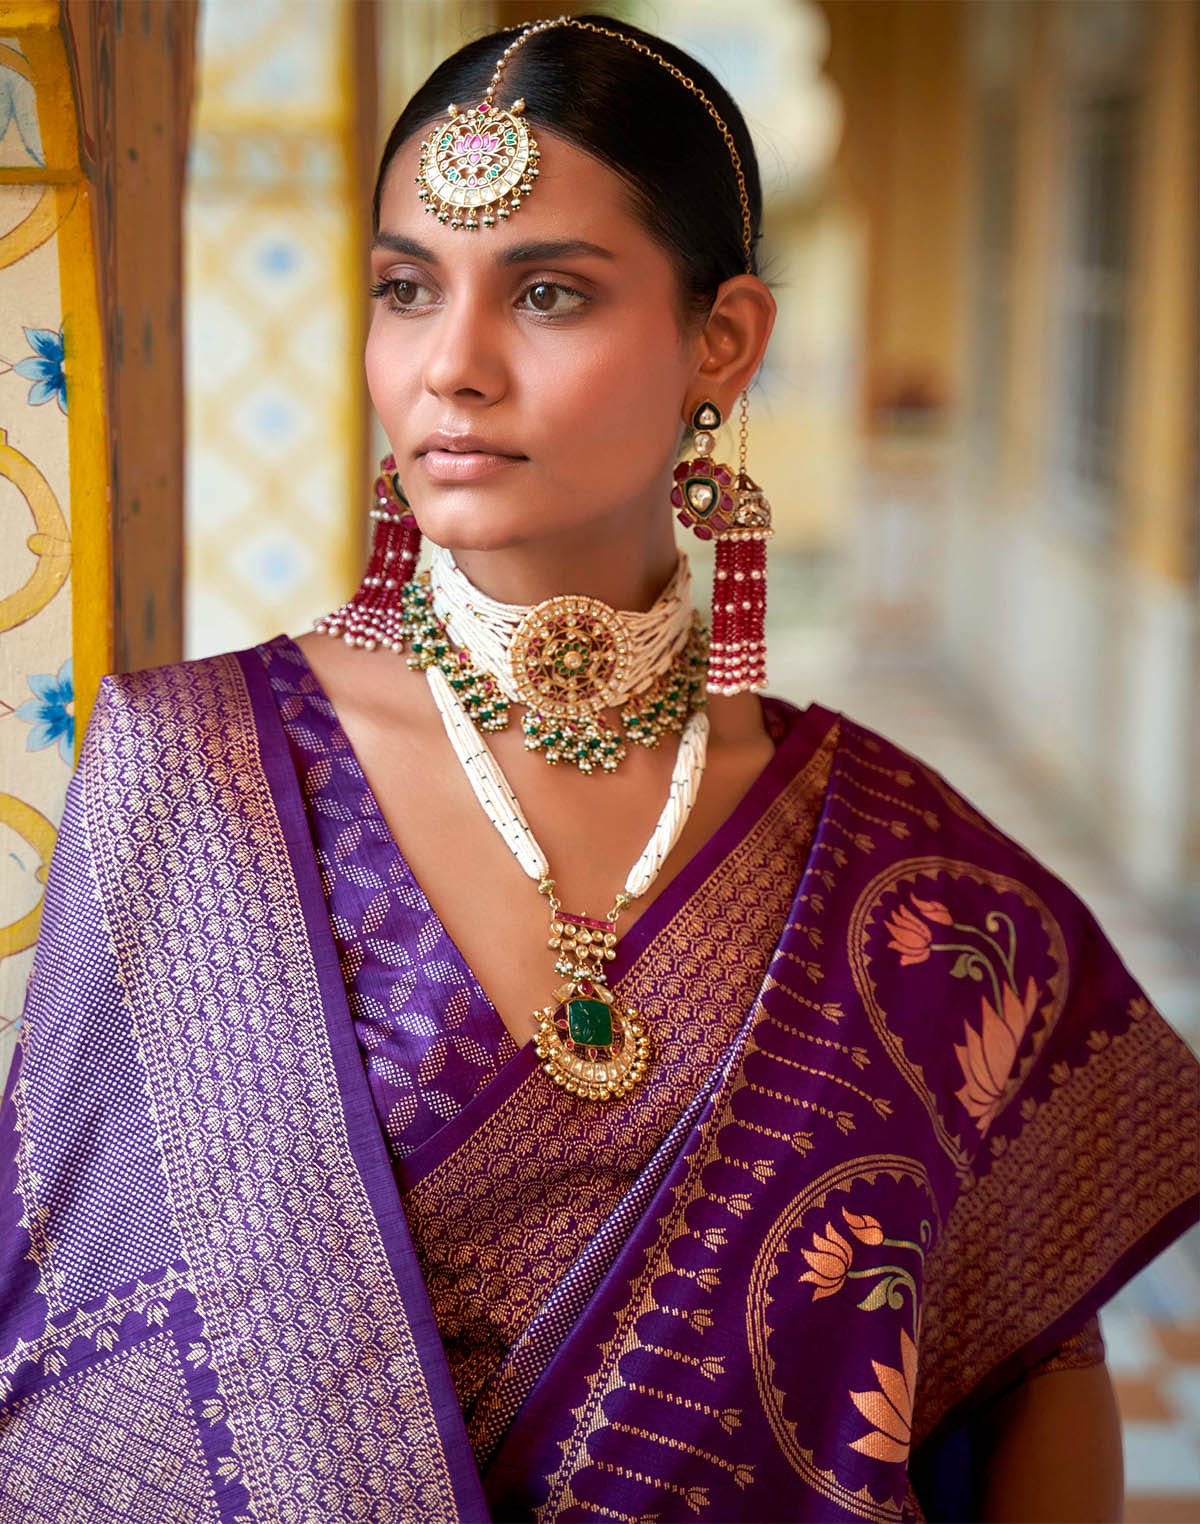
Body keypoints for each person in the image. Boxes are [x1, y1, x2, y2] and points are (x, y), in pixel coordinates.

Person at [0, 14, 1196, 1522]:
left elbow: (1036, 1358)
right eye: (404, 289)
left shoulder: (912, 888)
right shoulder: (192, 778)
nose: (452, 365)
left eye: (548, 292)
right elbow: (80, 1367)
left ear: (724, 342)